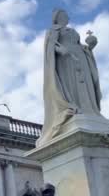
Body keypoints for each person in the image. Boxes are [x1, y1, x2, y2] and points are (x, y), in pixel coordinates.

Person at [38, 9, 103, 145]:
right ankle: (74, 106)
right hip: (65, 61)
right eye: (64, 15)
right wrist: (60, 50)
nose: (67, 17)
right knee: (72, 86)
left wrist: (90, 47)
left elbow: (81, 47)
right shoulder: (53, 30)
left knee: (86, 85)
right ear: (58, 17)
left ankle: (89, 110)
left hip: (81, 59)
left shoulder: (72, 31)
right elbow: (50, 46)